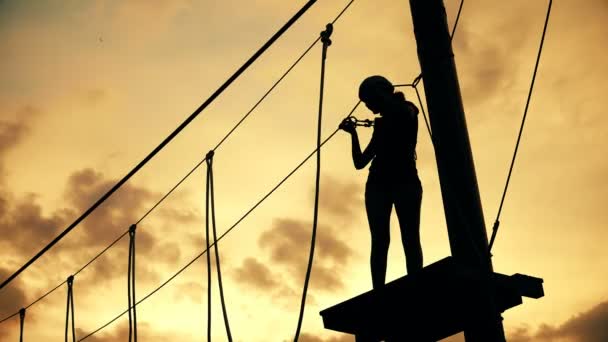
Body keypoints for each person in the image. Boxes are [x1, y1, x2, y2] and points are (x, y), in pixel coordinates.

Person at [339, 75, 423, 289]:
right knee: (381, 240)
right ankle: (380, 290)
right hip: (382, 183)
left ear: (379, 93)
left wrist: (380, 120)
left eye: (368, 100)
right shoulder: (387, 121)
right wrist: (353, 134)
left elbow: (404, 113)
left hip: (399, 181)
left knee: (408, 237)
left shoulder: (406, 110)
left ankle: (416, 285)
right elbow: (360, 162)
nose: (367, 106)